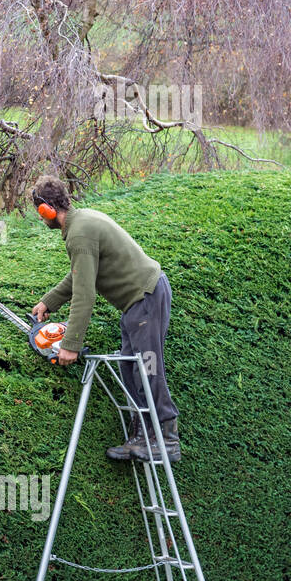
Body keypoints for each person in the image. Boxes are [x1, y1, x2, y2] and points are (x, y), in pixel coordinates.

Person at [28, 175, 181, 462]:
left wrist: (71, 345)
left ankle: (167, 440)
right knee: (129, 371)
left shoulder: (79, 234)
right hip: (136, 304)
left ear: (46, 210)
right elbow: (79, 277)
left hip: (145, 297)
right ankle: (140, 438)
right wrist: (48, 301)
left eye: (40, 212)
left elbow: (85, 296)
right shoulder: (82, 222)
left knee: (147, 368)